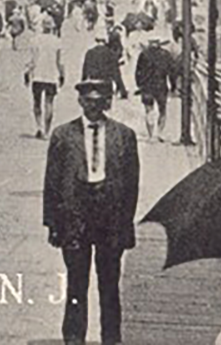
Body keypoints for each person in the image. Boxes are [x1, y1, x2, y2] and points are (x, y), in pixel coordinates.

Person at [44, 79, 140, 345]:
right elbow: (51, 181)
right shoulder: (63, 135)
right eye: (89, 101)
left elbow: (132, 185)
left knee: (109, 285)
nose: (94, 107)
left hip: (110, 218)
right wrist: (52, 224)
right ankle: (74, 338)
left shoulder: (124, 135)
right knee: (76, 284)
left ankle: (112, 338)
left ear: (107, 102)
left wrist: (127, 225)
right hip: (76, 217)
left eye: (99, 102)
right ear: (80, 102)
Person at [25, 16, 65, 139]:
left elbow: (31, 60)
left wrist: (27, 73)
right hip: (51, 75)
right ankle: (47, 132)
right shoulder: (57, 41)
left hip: (37, 75)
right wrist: (62, 74)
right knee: (49, 103)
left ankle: (39, 127)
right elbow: (60, 62)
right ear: (52, 27)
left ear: (42, 26)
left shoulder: (35, 40)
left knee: (37, 103)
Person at [135, 36, 174, 141]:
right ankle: (160, 132)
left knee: (149, 110)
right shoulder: (165, 54)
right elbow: (172, 72)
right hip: (161, 86)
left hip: (147, 86)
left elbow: (138, 72)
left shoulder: (143, 54)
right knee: (162, 110)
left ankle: (151, 134)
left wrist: (139, 84)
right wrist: (173, 86)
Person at [83, 29, 129, 102]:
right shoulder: (110, 53)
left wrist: (84, 84)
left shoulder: (89, 52)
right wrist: (123, 91)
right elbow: (116, 74)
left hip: (93, 82)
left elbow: (85, 70)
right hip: (105, 84)